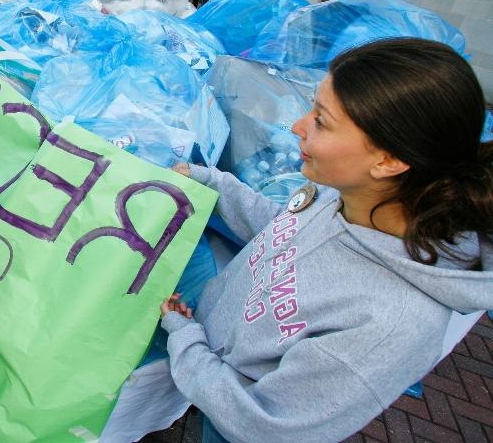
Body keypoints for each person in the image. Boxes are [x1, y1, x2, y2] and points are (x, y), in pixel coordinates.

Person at [162, 38, 492, 443]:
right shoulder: (351, 199)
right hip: (211, 370)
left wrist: (186, 343)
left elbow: (262, 424)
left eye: (321, 120)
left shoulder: (390, 325)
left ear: (388, 161)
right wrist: (210, 183)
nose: (297, 127)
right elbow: (284, 231)